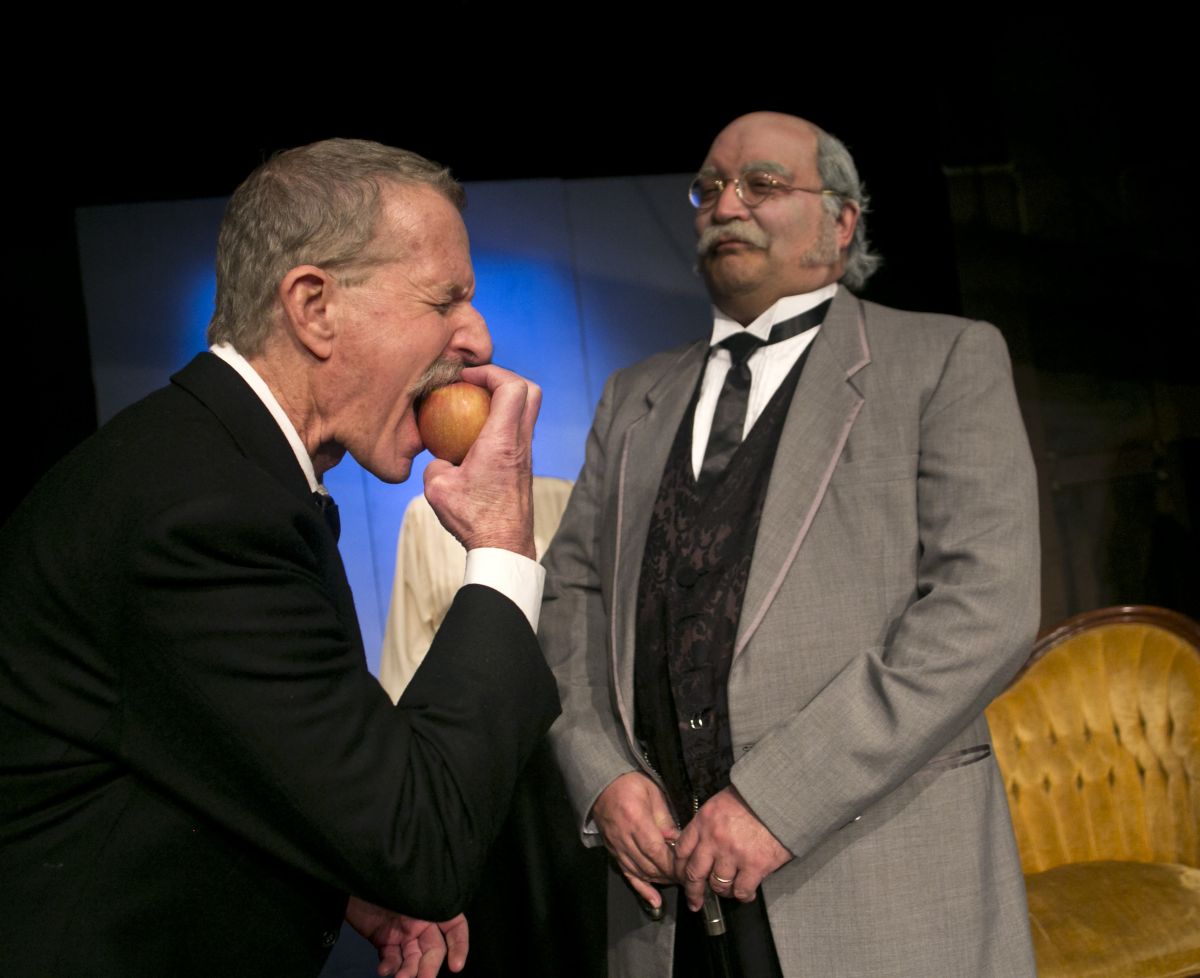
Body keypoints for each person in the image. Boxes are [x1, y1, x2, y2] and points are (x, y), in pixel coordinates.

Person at [0, 139, 560, 978]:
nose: (476, 338)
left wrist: (335, 871)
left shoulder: (212, 468)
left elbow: (214, 753)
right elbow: (421, 837)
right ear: (313, 307)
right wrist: (503, 545)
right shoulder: (204, 513)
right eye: (445, 299)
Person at [540, 112, 1040, 977]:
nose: (726, 204)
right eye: (709, 187)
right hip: (665, 913)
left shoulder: (944, 360)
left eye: (762, 184)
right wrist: (601, 776)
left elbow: (984, 609)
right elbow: (568, 600)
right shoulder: (631, 399)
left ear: (842, 221)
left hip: (874, 889)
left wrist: (776, 801)